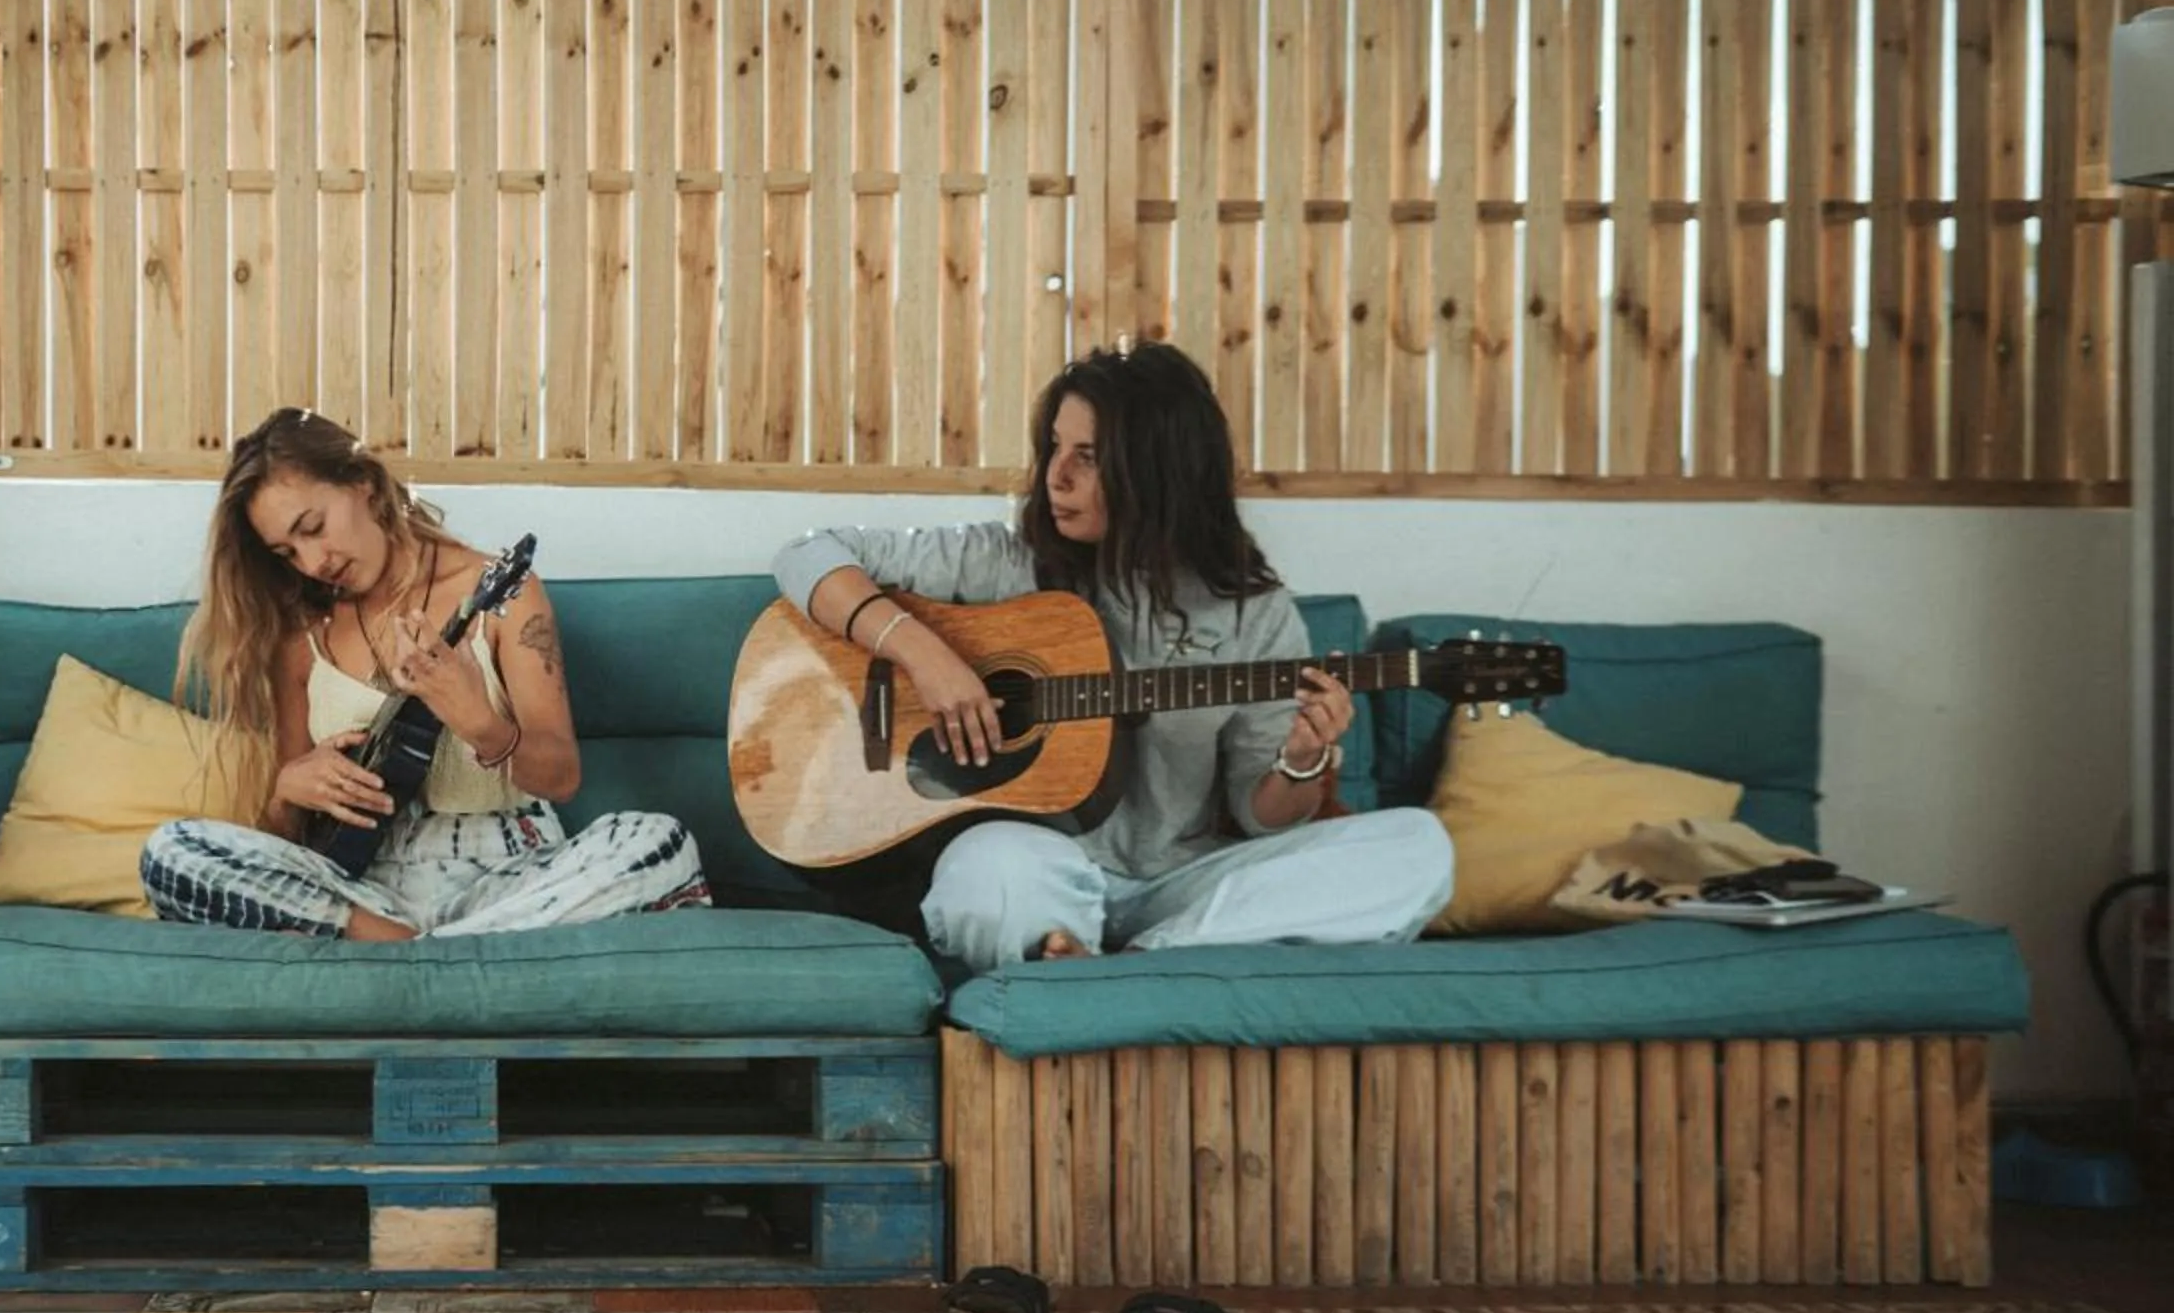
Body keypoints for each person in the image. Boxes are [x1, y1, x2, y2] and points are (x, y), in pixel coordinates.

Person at [771, 340, 1452, 974]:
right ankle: (1088, 951)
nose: (1055, 477)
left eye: (1088, 457)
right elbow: (807, 553)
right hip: (1046, 868)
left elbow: (1259, 813)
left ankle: (1129, 967)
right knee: (990, 870)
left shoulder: (1254, 611)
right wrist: (924, 656)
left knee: (1417, 850)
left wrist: (1301, 758)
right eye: (1054, 448)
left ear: (1158, 472)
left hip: (1183, 885)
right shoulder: (1006, 561)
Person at [143, 406, 708, 939]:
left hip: (513, 880)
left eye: (313, 526)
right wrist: (287, 793)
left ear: (362, 481)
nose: (314, 562)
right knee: (171, 852)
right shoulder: (302, 637)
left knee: (659, 845)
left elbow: (560, 777)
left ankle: (421, 959)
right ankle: (437, 956)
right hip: (365, 895)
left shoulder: (502, 594)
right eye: (287, 552)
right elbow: (287, 852)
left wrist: (478, 719)